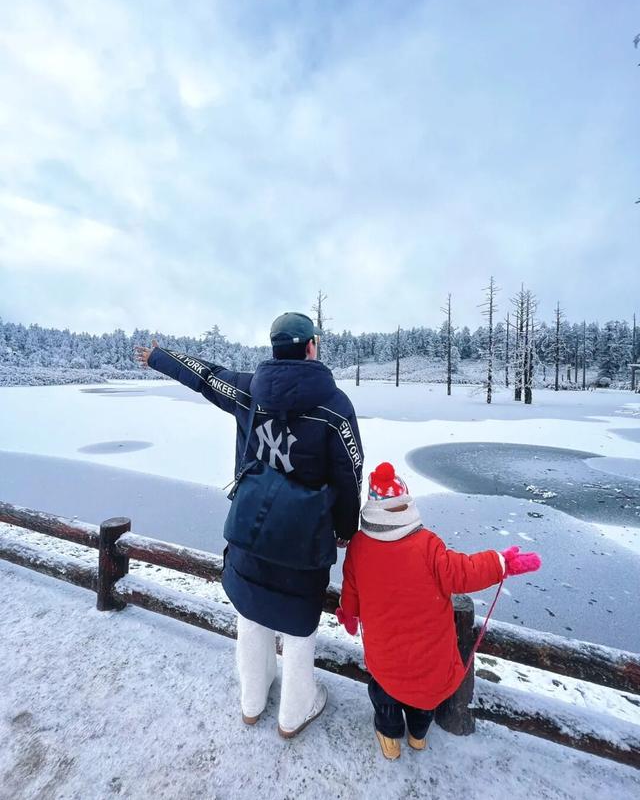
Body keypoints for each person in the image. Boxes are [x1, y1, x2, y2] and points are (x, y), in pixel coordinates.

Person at [134, 312, 363, 738]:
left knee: (252, 608)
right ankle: (294, 711)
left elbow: (207, 378)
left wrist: (160, 357)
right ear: (310, 347)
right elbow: (350, 473)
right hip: (304, 539)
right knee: (298, 620)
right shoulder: (335, 408)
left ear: (275, 349)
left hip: (250, 527)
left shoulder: (249, 390)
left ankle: (253, 701)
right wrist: (346, 529)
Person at [336, 461, 541, 761]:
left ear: (372, 505)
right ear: (405, 503)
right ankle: (418, 736)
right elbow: (465, 571)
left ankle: (390, 738)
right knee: (423, 700)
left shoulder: (359, 545)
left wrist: (349, 613)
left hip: (385, 654)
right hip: (429, 657)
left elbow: (351, 586)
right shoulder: (427, 545)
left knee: (385, 695)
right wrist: (500, 563)